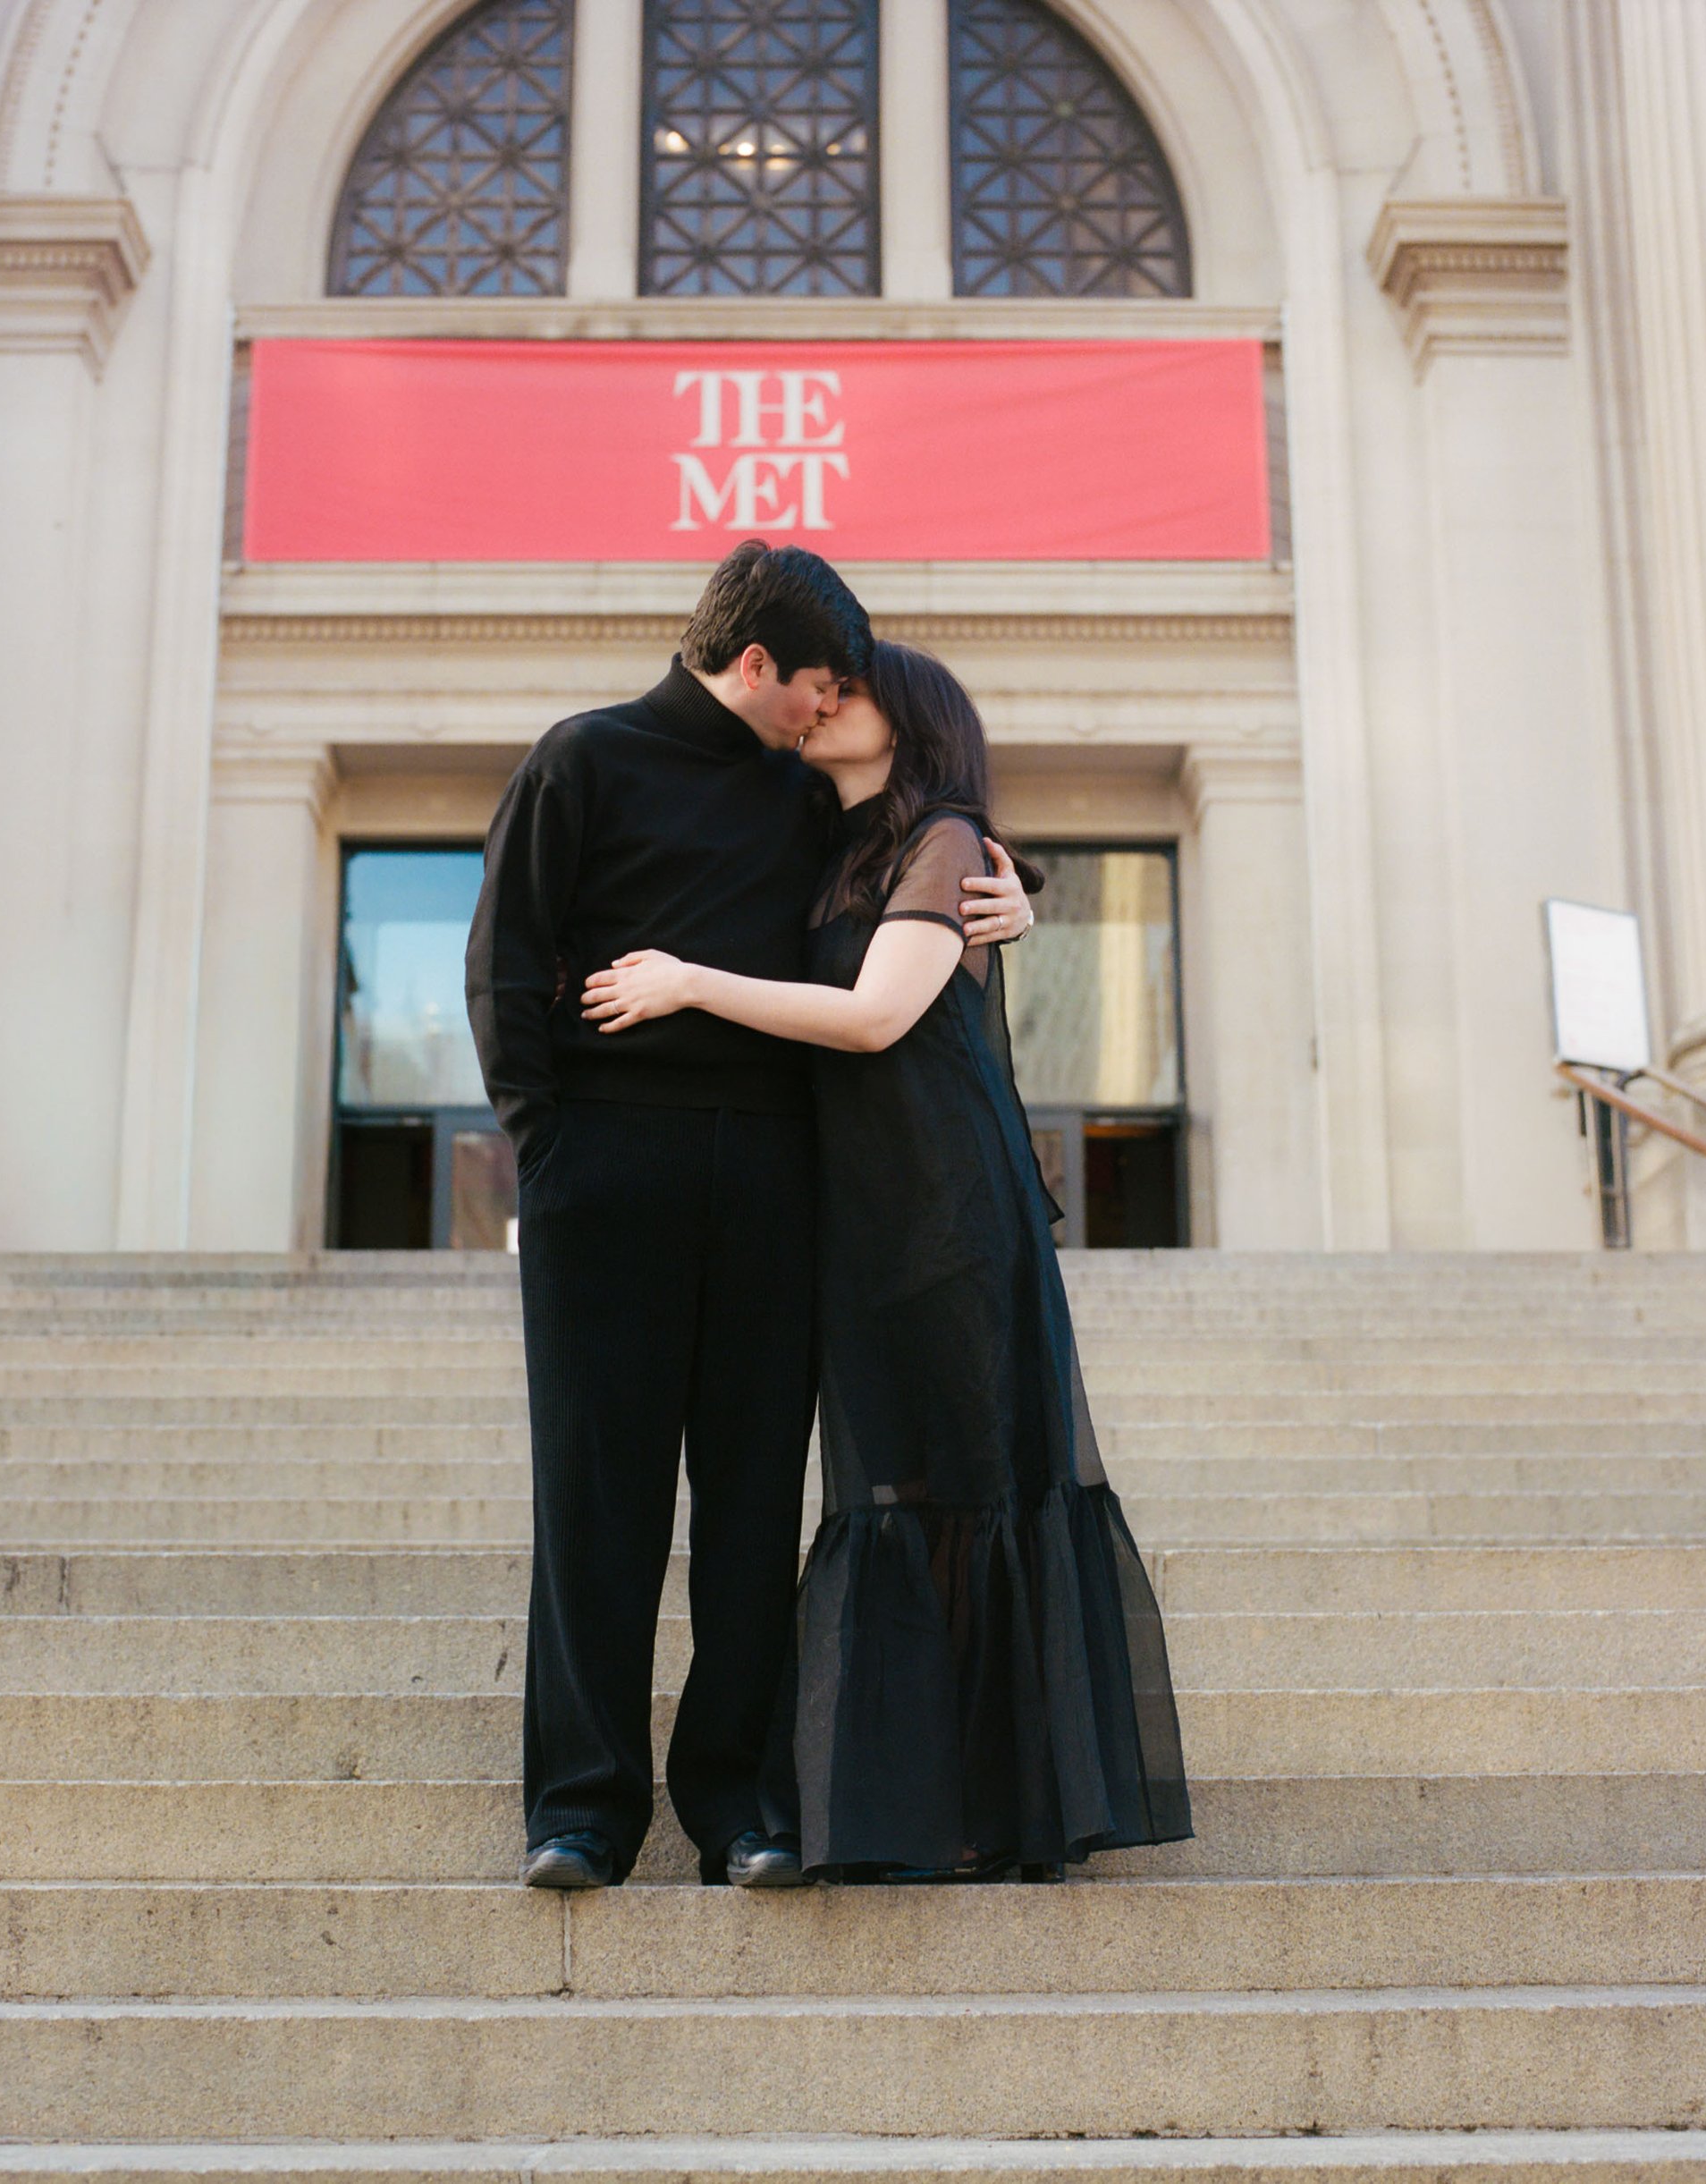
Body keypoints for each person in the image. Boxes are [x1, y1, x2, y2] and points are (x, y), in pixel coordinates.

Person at [465, 545, 1035, 1891]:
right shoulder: (580, 759)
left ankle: (741, 1804)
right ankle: (583, 1809)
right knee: (594, 1503)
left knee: (748, 1509)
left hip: (780, 1183)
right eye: (818, 683)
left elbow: (910, 883)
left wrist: (1019, 899)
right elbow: (501, 964)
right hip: (606, 1178)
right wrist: (551, 1160)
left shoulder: (810, 798)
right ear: (759, 663)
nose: (827, 710)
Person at [582, 639, 1193, 1880]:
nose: (819, 703)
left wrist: (690, 981)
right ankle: (918, 1796)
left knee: (964, 1485)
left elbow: (872, 1016)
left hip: (950, 1208)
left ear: (908, 720)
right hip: (857, 1218)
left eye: (847, 691)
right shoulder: (836, 846)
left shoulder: (948, 841)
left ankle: (988, 1802)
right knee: (896, 1493)